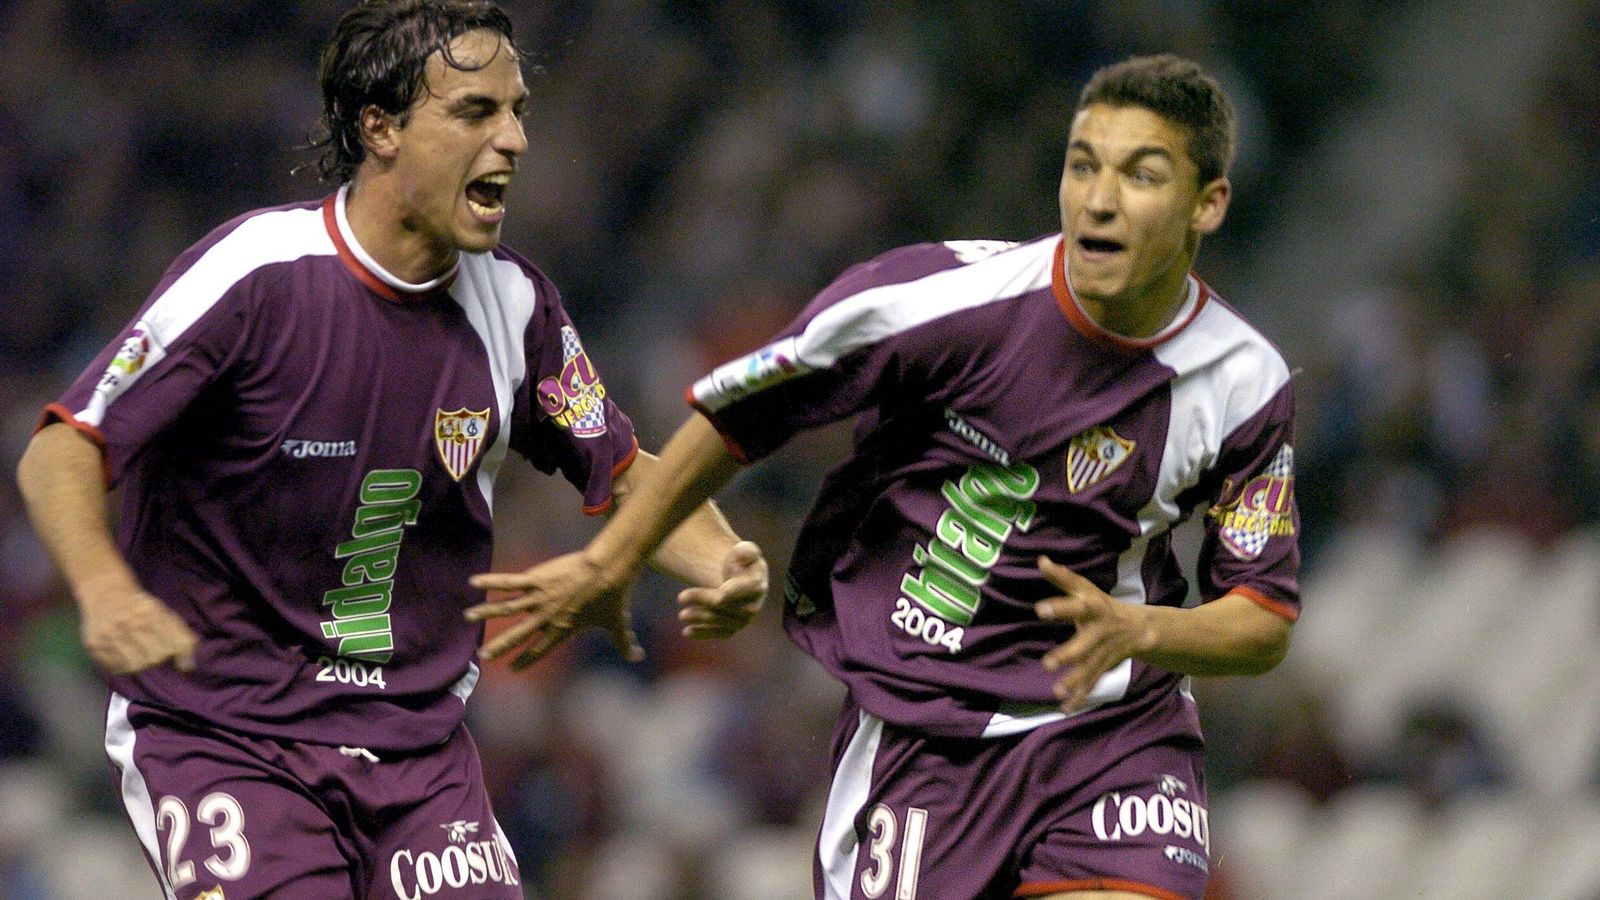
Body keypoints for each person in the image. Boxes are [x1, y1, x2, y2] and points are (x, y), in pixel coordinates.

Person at [467, 53, 1299, 900]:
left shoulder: (1244, 384)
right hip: (922, 732)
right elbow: (739, 415)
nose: (1101, 197)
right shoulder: (940, 302)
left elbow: (1263, 617)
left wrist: (1141, 629)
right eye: (1083, 165)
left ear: (1209, 203)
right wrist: (612, 561)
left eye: (1142, 174)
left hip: (1114, 731)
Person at [14, 2, 767, 898]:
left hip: (419, 759)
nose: (516, 140)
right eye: (477, 113)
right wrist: (101, 588)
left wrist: (721, 559)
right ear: (381, 127)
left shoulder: (517, 310)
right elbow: (65, 445)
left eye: (518, 110)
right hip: (226, 739)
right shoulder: (257, 278)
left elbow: (626, 468)